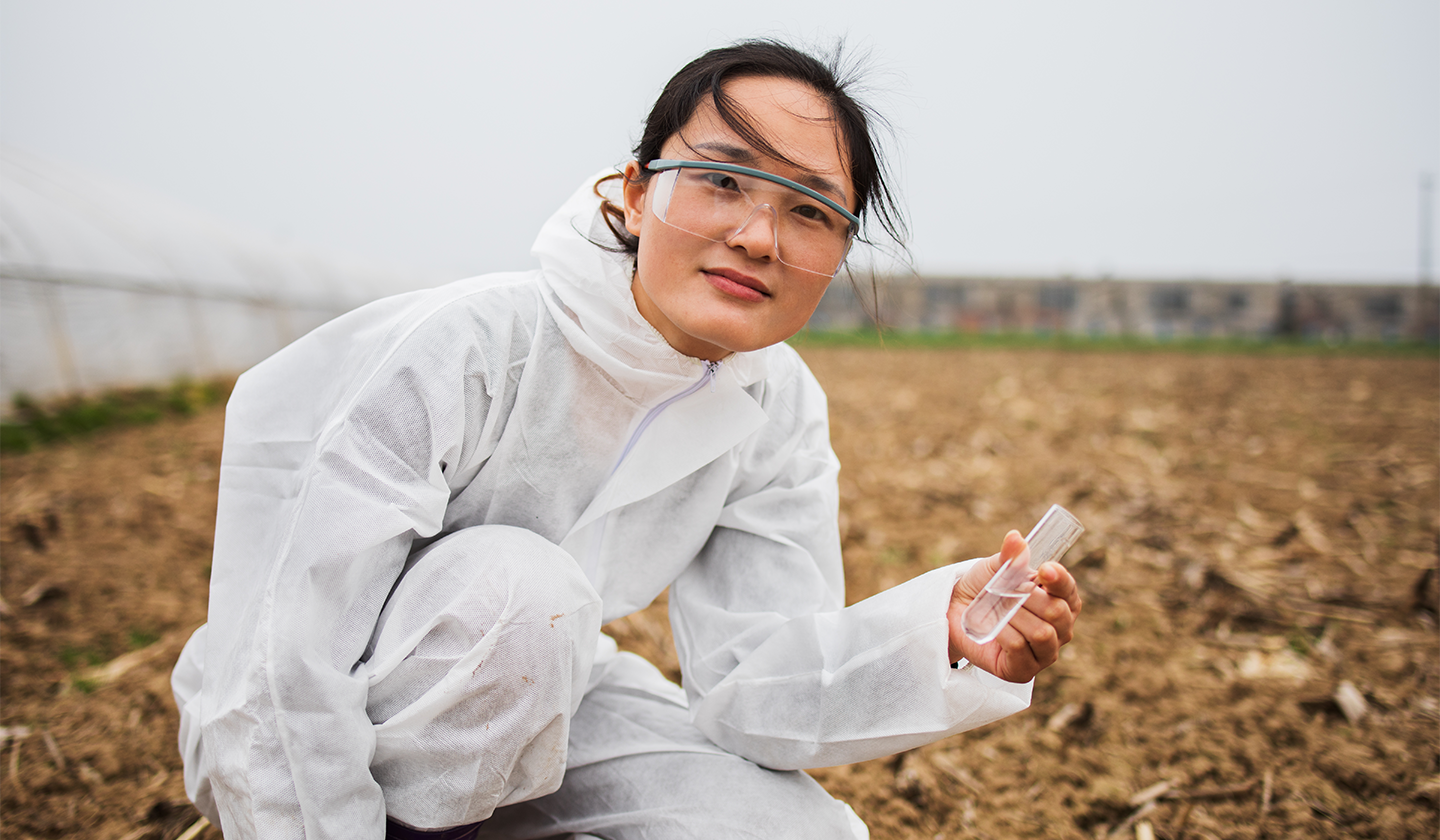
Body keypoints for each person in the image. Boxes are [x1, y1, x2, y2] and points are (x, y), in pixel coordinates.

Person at [171, 39, 1082, 840]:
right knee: (521, 595)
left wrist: (945, 639)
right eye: (724, 178)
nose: (760, 236)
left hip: (542, 697)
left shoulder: (777, 406)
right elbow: (277, 663)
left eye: (810, 209)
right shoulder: (470, 349)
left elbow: (750, 681)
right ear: (638, 194)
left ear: (839, 254)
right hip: (310, 730)